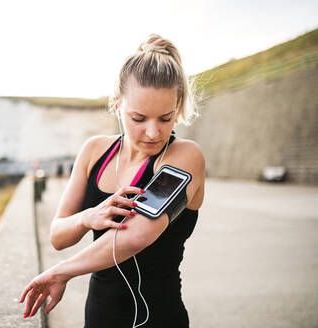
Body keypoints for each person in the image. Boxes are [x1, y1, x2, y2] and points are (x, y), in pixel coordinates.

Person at [19, 33, 205, 327]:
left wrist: (62, 272)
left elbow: (136, 236)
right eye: (139, 118)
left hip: (160, 318)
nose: (154, 132)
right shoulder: (95, 151)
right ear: (117, 105)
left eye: (166, 118)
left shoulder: (184, 156)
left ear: (178, 108)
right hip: (98, 317)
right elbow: (58, 235)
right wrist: (88, 218)